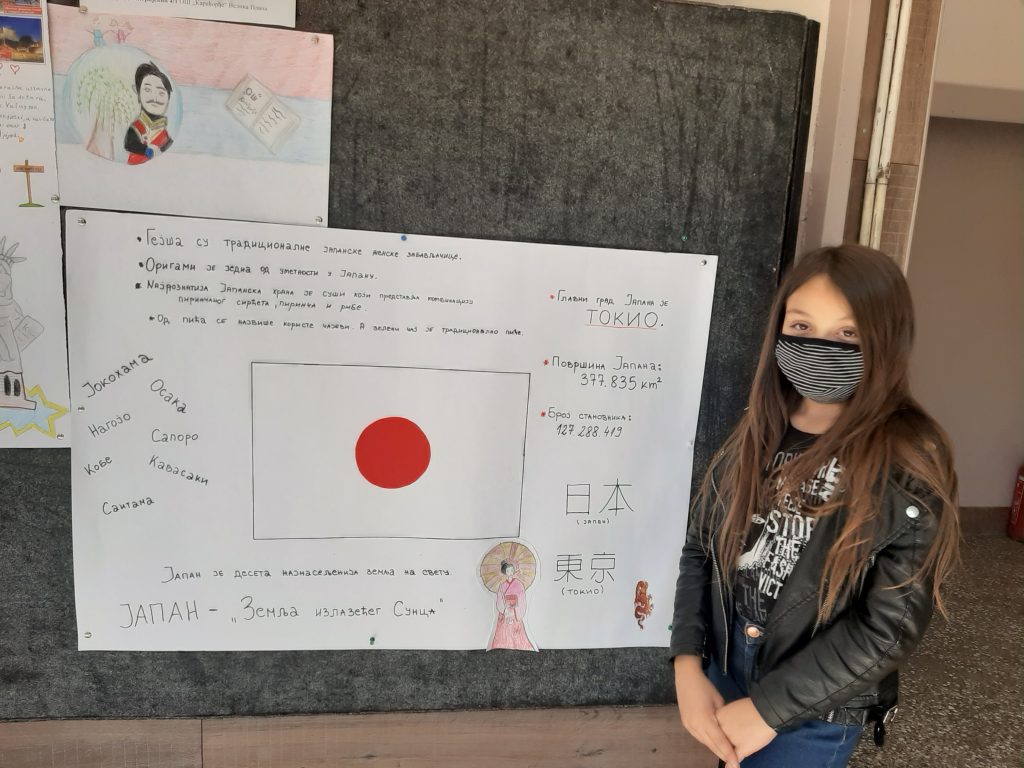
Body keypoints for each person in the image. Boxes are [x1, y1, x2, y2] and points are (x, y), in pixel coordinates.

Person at [670, 245, 959, 768]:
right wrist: (688, 662)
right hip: (727, 669)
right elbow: (700, 549)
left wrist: (768, 710)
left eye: (848, 334)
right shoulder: (757, 429)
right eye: (801, 327)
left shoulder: (910, 459)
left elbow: (887, 628)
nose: (820, 347)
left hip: (816, 707)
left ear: (885, 340)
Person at [124, 62, 174, 165]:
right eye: (147, 90)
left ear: (168, 98)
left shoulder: (165, 133)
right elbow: (129, 145)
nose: (154, 98)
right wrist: (145, 150)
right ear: (138, 93)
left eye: (161, 93)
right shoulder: (136, 128)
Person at [487, 561, 536, 651]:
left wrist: (516, 609)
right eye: (508, 571)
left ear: (514, 571)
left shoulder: (519, 584)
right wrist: (504, 609)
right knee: (503, 632)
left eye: (511, 570)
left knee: (516, 632)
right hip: (505, 611)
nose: (510, 572)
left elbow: (522, 598)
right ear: (505, 572)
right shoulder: (502, 585)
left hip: (515, 611)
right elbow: (499, 599)